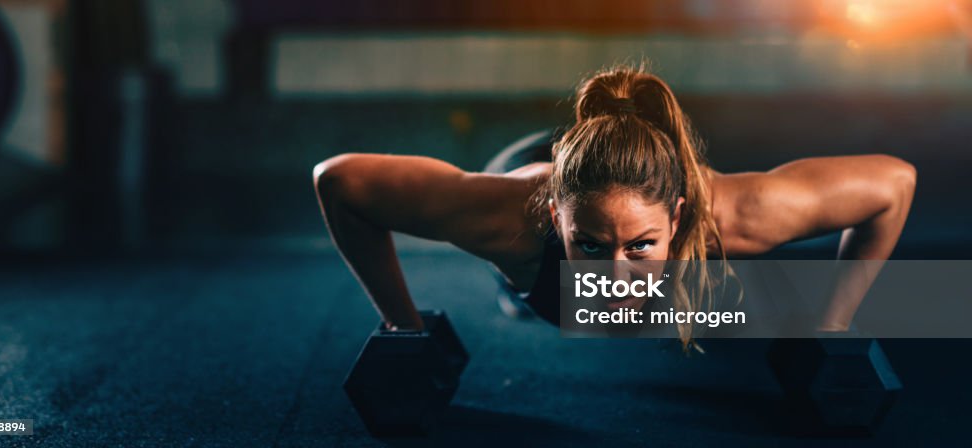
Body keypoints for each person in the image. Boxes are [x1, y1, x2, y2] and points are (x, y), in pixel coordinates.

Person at [313, 64, 916, 348]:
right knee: (530, 294)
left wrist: (834, 323)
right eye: (593, 248)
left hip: (634, 181)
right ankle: (528, 287)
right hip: (532, 171)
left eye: (641, 247)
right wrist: (403, 326)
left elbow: (894, 183)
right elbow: (338, 180)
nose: (615, 277)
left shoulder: (732, 215)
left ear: (677, 220)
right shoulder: (506, 220)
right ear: (557, 223)